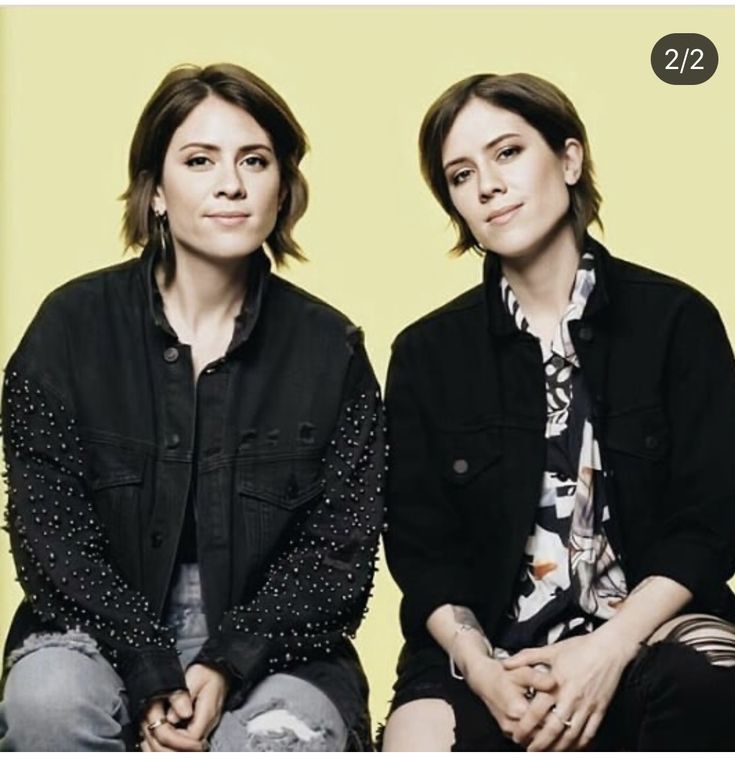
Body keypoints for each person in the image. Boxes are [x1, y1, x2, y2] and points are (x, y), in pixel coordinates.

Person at [0, 62, 385, 752]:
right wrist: (151, 667)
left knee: (280, 739)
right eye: (199, 160)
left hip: (276, 646)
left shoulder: (332, 351)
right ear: (154, 191)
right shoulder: (68, 329)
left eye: (254, 161)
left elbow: (337, 558)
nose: (230, 184)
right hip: (93, 631)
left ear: (282, 190)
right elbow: (52, 543)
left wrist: (224, 661)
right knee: (48, 707)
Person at [381, 72, 735, 751]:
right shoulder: (426, 353)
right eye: (459, 175)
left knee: (714, 684)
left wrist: (609, 647)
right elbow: (423, 554)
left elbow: (709, 521)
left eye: (507, 152)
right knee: (416, 744)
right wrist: (482, 671)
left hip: (649, 635)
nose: (485, 184)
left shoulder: (675, 322)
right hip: (489, 653)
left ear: (568, 159)